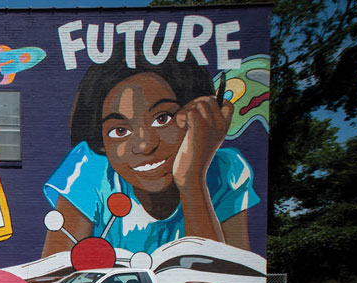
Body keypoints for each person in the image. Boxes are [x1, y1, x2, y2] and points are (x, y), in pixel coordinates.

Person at [42, 52, 258, 257]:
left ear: (195, 117)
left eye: (162, 119)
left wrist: (191, 179)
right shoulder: (88, 170)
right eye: (120, 131)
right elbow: (53, 279)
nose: (145, 145)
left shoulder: (227, 171)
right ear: (102, 143)